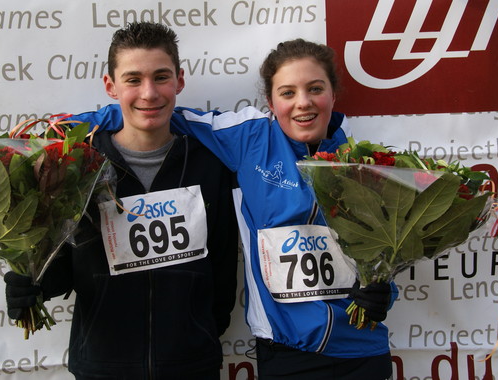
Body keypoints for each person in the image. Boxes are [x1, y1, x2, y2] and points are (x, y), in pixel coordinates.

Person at [73, 38, 398, 379]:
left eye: (315, 89)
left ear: (333, 94)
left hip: (363, 346)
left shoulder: (366, 163)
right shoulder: (248, 139)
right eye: (287, 92)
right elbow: (154, 109)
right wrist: (73, 126)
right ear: (270, 102)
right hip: (287, 349)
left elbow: (387, 248)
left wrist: (382, 290)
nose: (303, 103)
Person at [4, 22, 239, 380]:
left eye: (161, 77)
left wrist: (202, 334)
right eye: (133, 79)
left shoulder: (209, 164)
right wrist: (32, 282)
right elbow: (64, 262)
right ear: (110, 86)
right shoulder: (80, 165)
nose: (149, 93)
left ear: (180, 81)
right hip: (102, 367)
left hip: (192, 366)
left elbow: (222, 263)